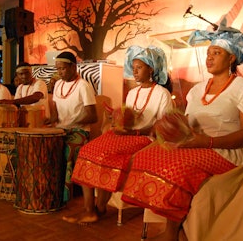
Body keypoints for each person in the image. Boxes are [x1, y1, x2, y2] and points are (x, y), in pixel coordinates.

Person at [121, 28, 243, 241]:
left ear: (232, 57)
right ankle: (173, 225)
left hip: (225, 151)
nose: (209, 57)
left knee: (175, 168)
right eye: (208, 52)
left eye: (217, 53)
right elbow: (187, 123)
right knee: (144, 157)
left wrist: (207, 141)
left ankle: (171, 233)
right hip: (195, 144)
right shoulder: (197, 90)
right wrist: (172, 127)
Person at [62, 45, 173, 225]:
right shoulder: (132, 93)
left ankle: (99, 207)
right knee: (86, 151)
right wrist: (115, 118)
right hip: (124, 135)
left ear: (151, 69)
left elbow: (163, 127)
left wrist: (136, 131)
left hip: (144, 139)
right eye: (134, 67)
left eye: (139, 68)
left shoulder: (162, 94)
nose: (134, 72)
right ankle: (90, 209)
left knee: (105, 156)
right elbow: (127, 118)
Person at [47, 51, 98, 203]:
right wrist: (49, 121)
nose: (59, 72)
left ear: (73, 67)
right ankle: (52, 192)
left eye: (62, 68)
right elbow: (56, 116)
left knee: (68, 152)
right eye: (57, 69)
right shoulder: (58, 85)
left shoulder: (84, 86)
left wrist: (72, 122)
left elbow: (93, 116)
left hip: (79, 131)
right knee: (48, 150)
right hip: (62, 130)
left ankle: (66, 197)